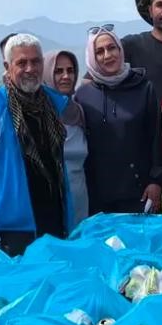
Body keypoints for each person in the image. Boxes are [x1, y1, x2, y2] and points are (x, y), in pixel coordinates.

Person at [0, 33, 73, 253]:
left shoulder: (53, 103)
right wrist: (3, 197)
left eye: (35, 61)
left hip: (56, 215)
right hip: (14, 226)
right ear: (7, 66)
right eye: (22, 63)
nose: (30, 69)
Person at [74, 27, 162, 217]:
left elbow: (157, 137)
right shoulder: (83, 96)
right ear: (92, 57)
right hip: (97, 194)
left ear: (120, 50)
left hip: (140, 192)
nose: (108, 55)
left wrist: (156, 181)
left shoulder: (144, 88)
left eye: (112, 48)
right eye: (99, 51)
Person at [45, 49, 89, 229]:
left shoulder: (77, 111)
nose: (66, 76)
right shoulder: (36, 113)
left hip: (79, 198)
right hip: (50, 202)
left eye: (70, 71)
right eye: (58, 71)